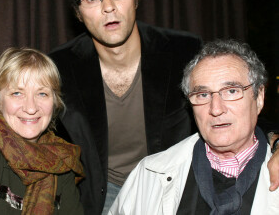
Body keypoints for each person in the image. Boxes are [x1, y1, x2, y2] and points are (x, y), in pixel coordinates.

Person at [0, 0, 278, 214]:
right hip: (97, 197)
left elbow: (233, 103)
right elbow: (20, 112)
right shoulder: (62, 64)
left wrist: (276, 142)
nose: (108, 6)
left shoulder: (184, 51)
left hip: (168, 187)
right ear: (78, 13)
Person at [109, 39, 279, 214]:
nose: (216, 109)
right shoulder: (150, 174)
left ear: (259, 98)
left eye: (231, 91)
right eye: (203, 94)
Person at [0, 47, 84, 214]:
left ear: (55, 102)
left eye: (42, 94)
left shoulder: (63, 163)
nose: (31, 108)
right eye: (17, 93)